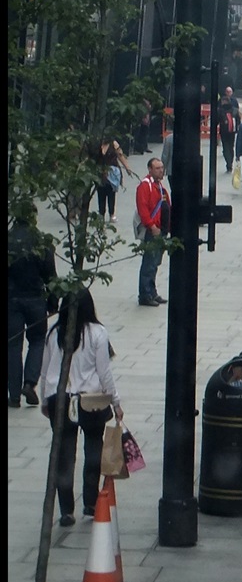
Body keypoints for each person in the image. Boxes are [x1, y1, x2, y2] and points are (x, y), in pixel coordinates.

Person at [38, 288, 124, 526]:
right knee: (93, 449)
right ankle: (90, 501)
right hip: (91, 400)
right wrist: (115, 401)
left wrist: (45, 399)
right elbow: (104, 372)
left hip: (60, 399)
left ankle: (66, 509)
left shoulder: (54, 334)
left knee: (64, 456)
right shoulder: (97, 333)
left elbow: (45, 372)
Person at [8, 216, 58, 408]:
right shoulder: (42, 241)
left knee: (13, 346)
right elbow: (50, 275)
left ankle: (13, 394)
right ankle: (30, 383)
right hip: (36, 299)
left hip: (12, 299)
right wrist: (53, 301)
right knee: (37, 341)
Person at [135, 156, 171, 306]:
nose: (161, 170)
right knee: (149, 262)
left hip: (161, 229)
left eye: (162, 167)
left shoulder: (160, 186)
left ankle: (152, 291)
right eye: (157, 168)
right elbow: (143, 209)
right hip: (153, 230)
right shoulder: (145, 186)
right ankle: (145, 294)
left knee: (155, 262)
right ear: (150, 169)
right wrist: (152, 226)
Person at [92, 137, 134, 224]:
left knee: (111, 193)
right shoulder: (97, 144)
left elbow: (120, 156)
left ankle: (112, 214)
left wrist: (127, 168)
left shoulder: (114, 144)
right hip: (100, 173)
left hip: (112, 173)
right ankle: (101, 214)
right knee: (101, 193)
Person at [216, 88, 240, 172]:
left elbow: (216, 121)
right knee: (230, 146)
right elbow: (238, 120)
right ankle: (230, 161)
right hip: (232, 130)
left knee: (226, 147)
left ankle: (228, 163)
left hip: (224, 130)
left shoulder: (220, 110)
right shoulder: (234, 110)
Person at [160, 114, 175, 189]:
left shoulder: (169, 139)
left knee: (173, 189)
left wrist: (162, 169)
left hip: (171, 169)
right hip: (184, 171)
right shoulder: (188, 139)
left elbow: (165, 155)